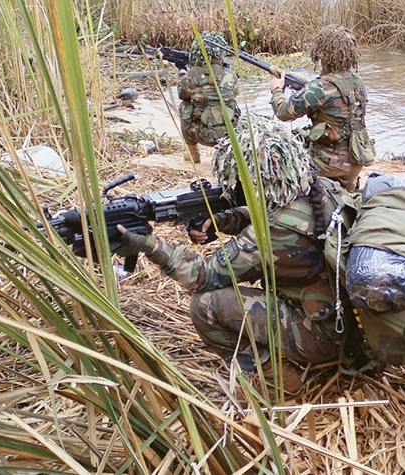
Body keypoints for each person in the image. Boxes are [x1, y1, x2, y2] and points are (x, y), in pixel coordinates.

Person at [115, 118, 346, 395]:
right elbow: (279, 216)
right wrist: (226, 220)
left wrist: (151, 245)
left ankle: (277, 382)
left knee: (204, 306)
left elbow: (202, 275)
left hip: (322, 338)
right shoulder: (325, 190)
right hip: (348, 327)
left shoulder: (271, 233)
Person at [269, 25, 374, 192]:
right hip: (356, 159)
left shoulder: (319, 87)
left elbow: (283, 112)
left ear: (322, 54)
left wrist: (276, 90)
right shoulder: (357, 81)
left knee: (277, 162)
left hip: (330, 164)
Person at [178, 31, 240, 164]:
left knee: (184, 106)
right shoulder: (230, 75)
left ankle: (192, 151)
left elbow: (182, 94)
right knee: (232, 103)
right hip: (228, 135)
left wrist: (182, 73)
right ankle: (230, 153)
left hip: (200, 133)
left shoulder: (189, 77)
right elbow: (233, 94)